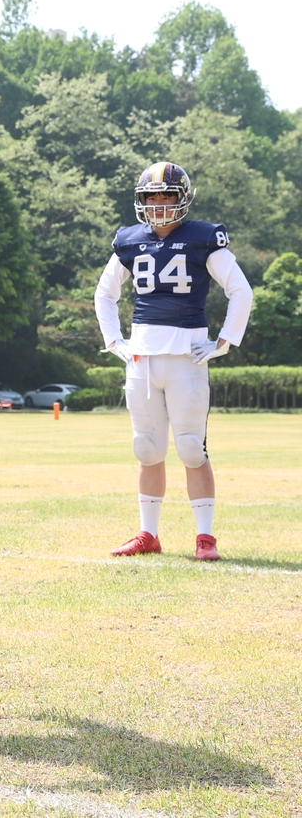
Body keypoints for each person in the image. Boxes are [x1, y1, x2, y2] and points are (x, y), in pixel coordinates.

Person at [94, 161, 253, 560]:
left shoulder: (202, 238)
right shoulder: (130, 240)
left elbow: (240, 291)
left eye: (168, 195)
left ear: (183, 199)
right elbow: (105, 294)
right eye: (152, 196)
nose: (160, 203)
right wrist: (114, 340)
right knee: (147, 448)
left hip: (186, 356)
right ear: (141, 201)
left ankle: (205, 537)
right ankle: (148, 534)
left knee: (190, 449)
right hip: (143, 358)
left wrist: (224, 341)